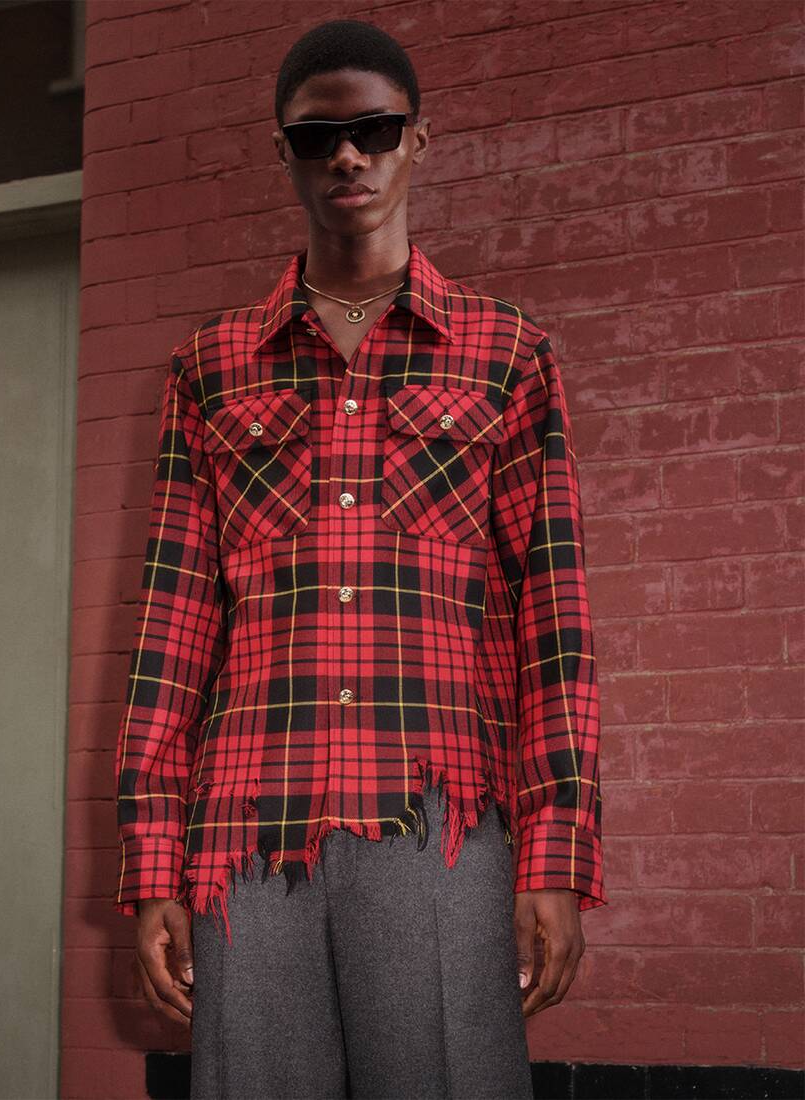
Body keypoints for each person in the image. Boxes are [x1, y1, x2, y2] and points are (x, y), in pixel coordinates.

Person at [113, 17, 606, 1100]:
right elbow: (173, 626)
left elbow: (551, 622)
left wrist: (556, 855)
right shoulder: (209, 370)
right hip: (247, 827)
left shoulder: (508, 353)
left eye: (376, 130)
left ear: (417, 142)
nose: (349, 155)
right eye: (318, 136)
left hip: (438, 819)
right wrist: (153, 859)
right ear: (282, 151)